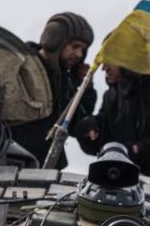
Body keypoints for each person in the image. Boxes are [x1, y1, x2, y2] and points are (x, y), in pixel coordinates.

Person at [77, 64, 150, 179]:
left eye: (111, 60)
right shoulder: (111, 96)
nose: (104, 68)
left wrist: (139, 149)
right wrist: (89, 128)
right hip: (121, 180)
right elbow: (104, 143)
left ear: (129, 57)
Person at [10, 12, 97, 170]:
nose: (79, 54)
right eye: (75, 46)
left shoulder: (64, 79)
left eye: (83, 50)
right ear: (55, 40)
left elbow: (71, 124)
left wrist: (85, 88)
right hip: (15, 161)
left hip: (46, 166)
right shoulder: (22, 69)